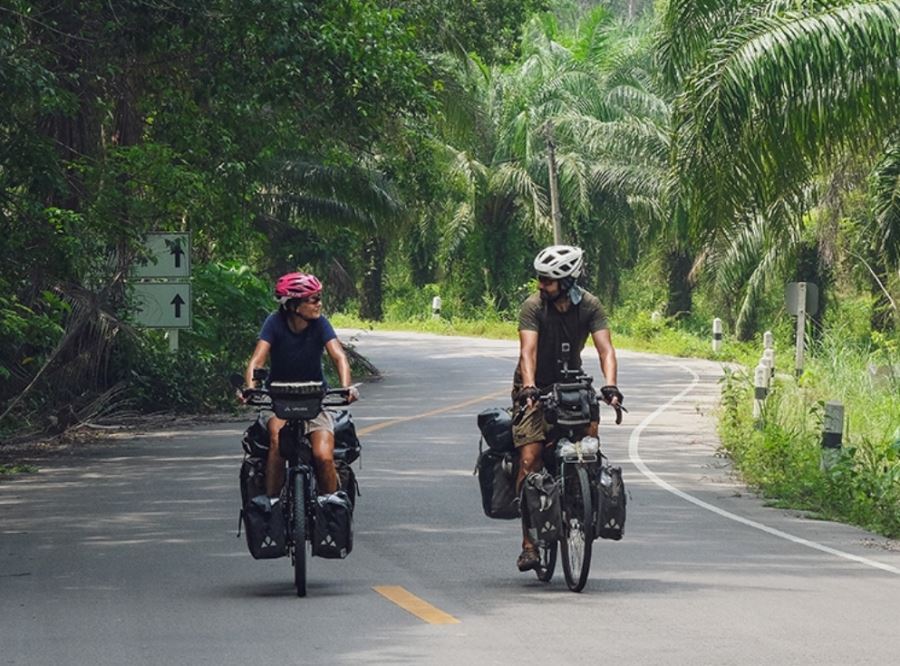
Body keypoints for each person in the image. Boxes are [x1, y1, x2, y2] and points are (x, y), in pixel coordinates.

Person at [511, 245, 623, 572]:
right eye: (540, 279)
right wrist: (529, 388)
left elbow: (606, 350)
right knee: (529, 459)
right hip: (534, 388)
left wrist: (611, 385)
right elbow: (527, 352)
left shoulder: (590, 306)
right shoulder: (533, 307)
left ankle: (582, 495)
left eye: (547, 281)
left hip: (574, 387)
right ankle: (528, 542)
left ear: (567, 281)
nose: (540, 285)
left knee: (590, 445)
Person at [242, 272, 358, 498]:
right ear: (294, 305)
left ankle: (331, 508)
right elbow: (257, 360)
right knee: (278, 443)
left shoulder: (321, 324)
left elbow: (338, 357)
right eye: (313, 299)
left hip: (315, 401)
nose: (319, 304)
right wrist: (250, 388)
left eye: (319, 297)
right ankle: (272, 504)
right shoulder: (273, 323)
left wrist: (347, 388)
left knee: (324, 456)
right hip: (278, 401)